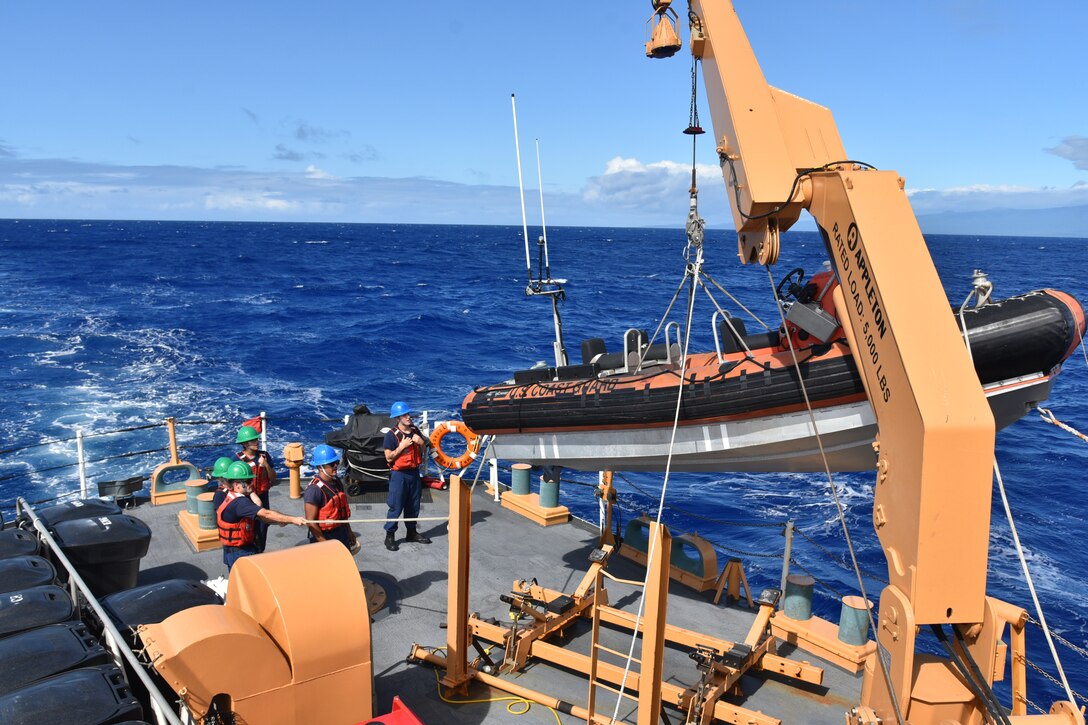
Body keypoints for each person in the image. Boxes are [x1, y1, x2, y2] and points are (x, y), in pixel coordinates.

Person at [216, 461, 305, 573]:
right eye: (248, 481)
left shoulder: (233, 497)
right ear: (237, 484)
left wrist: (278, 521)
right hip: (240, 552)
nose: (251, 484)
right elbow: (266, 513)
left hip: (235, 550)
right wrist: (293, 519)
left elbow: (258, 512)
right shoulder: (240, 503)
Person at [382, 401, 431, 551]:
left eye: (408, 414)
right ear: (398, 418)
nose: (409, 416)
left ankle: (412, 532)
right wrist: (401, 447)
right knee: (396, 506)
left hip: (414, 473)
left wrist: (421, 442)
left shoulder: (415, 431)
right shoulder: (391, 436)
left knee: (413, 505)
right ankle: (390, 536)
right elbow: (389, 458)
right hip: (399, 475)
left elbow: (423, 449)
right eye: (405, 415)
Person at [303, 444, 357, 552]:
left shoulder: (337, 482)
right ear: (320, 467)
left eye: (336, 463)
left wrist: (349, 532)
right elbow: (311, 522)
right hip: (324, 537)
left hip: (341, 533)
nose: (335, 466)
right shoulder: (314, 490)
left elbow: (342, 514)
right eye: (332, 464)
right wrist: (325, 545)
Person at [235, 424, 277, 553]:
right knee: (248, 528)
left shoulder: (264, 456)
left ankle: (260, 551)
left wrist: (265, 466)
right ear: (245, 444)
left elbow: (273, 478)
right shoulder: (237, 461)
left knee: (263, 527)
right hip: (247, 499)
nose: (256, 442)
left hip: (263, 497)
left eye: (257, 439)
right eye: (253, 440)